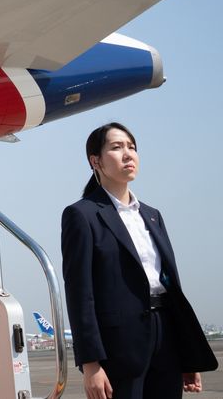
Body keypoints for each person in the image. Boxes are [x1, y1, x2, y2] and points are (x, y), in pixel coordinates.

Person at [61, 122, 217, 399]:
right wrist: (90, 364)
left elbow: (171, 285)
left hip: (166, 336)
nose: (128, 154)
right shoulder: (82, 215)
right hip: (119, 347)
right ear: (95, 161)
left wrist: (186, 354)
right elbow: (79, 293)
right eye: (117, 147)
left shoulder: (152, 215)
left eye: (132, 147)